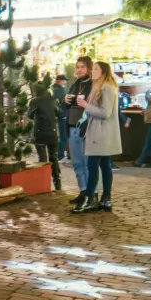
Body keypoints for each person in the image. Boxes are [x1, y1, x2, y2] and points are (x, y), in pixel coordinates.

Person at [72, 60, 120, 214]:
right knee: (105, 165)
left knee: (93, 165)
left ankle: (90, 199)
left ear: (103, 72)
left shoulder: (106, 88)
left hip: (100, 133)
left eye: (96, 69)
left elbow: (105, 112)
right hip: (102, 133)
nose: (93, 71)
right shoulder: (100, 87)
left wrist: (86, 106)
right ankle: (106, 199)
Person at [59, 57, 92, 203]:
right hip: (72, 127)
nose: (79, 70)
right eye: (77, 67)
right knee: (77, 162)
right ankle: (83, 190)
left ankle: (91, 192)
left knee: (87, 162)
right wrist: (64, 101)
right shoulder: (74, 85)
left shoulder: (93, 85)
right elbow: (66, 106)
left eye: (82, 67)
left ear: (89, 68)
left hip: (86, 127)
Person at [27, 81, 63, 191]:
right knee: (54, 157)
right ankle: (57, 183)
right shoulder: (53, 100)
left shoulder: (35, 101)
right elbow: (60, 113)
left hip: (40, 133)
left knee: (42, 159)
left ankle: (43, 184)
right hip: (52, 133)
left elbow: (30, 115)